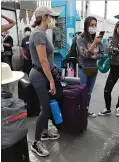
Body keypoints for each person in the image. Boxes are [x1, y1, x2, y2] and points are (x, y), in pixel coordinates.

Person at [29, 6, 60, 157]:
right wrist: (52, 81)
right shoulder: (38, 35)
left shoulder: (42, 33)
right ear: (43, 17)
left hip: (44, 75)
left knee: (47, 105)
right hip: (40, 76)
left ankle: (45, 133)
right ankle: (35, 142)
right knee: (45, 109)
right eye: (52, 17)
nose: (54, 20)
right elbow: (43, 60)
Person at [76, 16, 104, 118]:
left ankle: (86, 110)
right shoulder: (81, 38)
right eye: (91, 25)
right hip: (83, 67)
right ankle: (79, 110)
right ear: (86, 26)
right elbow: (84, 55)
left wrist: (95, 56)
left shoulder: (97, 38)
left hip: (93, 68)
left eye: (95, 25)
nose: (93, 27)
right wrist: (94, 44)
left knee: (89, 92)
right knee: (82, 91)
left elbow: (102, 54)